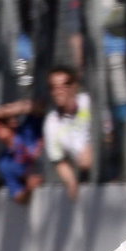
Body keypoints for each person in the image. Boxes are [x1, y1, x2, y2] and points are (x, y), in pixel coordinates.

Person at [42, 66, 94, 199]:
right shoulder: (51, 122)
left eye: (64, 85)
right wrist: (71, 181)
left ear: (74, 86)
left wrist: (94, 149)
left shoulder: (88, 102)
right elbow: (57, 159)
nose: (58, 91)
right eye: (53, 87)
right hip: (84, 174)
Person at [0, 106, 44, 205]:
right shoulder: (4, 162)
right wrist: (29, 189)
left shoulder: (28, 129)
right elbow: (19, 197)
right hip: (44, 197)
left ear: (13, 122)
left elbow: (41, 107)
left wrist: (8, 110)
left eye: (1, 121)